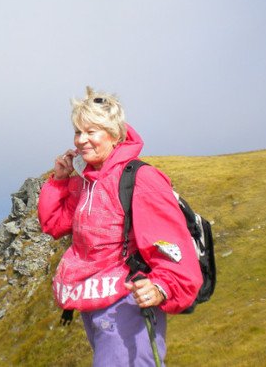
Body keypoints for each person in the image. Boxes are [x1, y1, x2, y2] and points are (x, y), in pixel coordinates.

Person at [38, 87, 202, 367]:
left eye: (92, 132)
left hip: (127, 304)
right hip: (94, 301)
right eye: (78, 132)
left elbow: (173, 245)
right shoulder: (86, 180)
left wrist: (162, 287)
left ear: (114, 135)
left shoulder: (141, 179)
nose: (81, 140)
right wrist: (60, 180)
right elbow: (53, 224)